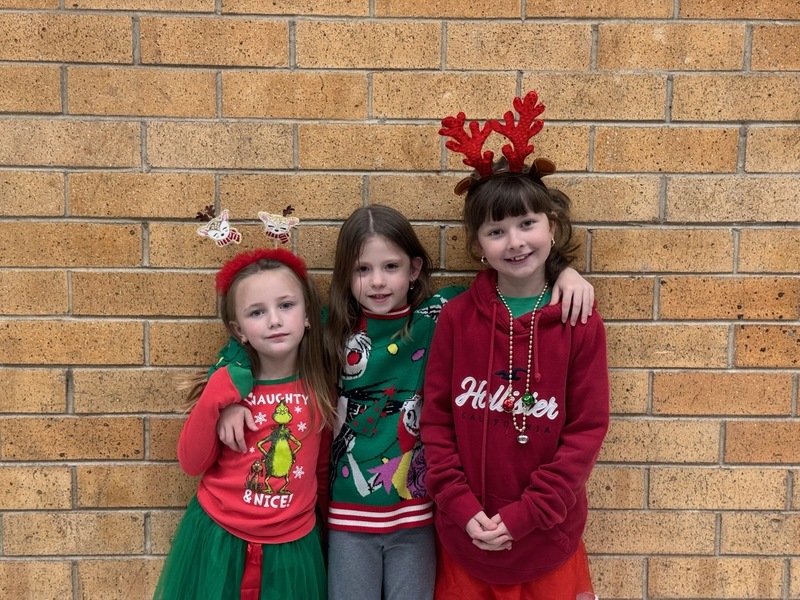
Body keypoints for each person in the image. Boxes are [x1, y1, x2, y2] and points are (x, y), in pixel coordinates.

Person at [215, 203, 594, 600]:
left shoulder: (440, 315)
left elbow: (510, 278)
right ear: (345, 275)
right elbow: (244, 343)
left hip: (417, 515)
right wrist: (229, 399)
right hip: (348, 516)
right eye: (362, 269)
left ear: (414, 269)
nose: (377, 281)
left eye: (391, 267)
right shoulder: (329, 328)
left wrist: (562, 272)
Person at [420, 91, 609, 599]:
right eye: (496, 230)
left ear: (552, 226)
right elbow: (435, 421)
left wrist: (527, 514)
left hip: (547, 535)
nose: (516, 241)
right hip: (467, 534)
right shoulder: (457, 318)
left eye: (527, 223)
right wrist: (461, 507)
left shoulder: (579, 319)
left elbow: (586, 431)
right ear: (478, 245)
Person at [154, 248, 336, 600]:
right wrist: (217, 393)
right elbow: (191, 462)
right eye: (257, 312)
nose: (274, 320)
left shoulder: (320, 387)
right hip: (220, 540)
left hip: (293, 547)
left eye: (286, 305)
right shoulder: (230, 388)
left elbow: (322, 467)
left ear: (308, 315)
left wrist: (328, 532)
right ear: (239, 331)